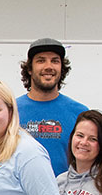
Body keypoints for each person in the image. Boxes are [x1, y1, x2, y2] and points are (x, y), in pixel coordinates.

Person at [16, 38, 88, 176]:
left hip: (65, 194)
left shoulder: (80, 113)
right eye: (41, 60)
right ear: (30, 69)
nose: (48, 66)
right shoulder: (10, 111)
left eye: (55, 61)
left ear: (62, 68)